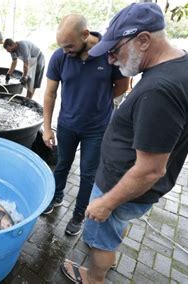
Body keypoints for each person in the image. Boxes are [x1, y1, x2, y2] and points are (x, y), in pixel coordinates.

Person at [59, 3, 188, 283]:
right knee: (113, 228)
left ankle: (93, 276)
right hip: (135, 188)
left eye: (116, 50)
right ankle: (107, 255)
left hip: (121, 186)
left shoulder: (160, 90)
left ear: (143, 40)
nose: (112, 60)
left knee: (100, 236)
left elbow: (151, 170)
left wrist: (105, 203)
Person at [41, 14, 129, 237]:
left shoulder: (110, 54)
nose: (65, 50)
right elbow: (50, 94)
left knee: (88, 174)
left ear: (85, 35)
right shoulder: (60, 57)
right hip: (67, 125)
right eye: (62, 45)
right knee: (61, 165)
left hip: (97, 128)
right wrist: (47, 127)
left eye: (69, 45)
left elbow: (121, 86)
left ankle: (78, 215)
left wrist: (100, 101)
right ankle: (55, 197)